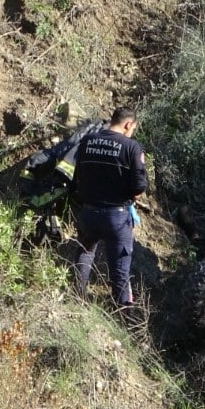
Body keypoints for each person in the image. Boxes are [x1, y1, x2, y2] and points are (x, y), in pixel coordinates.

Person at [72, 107, 148, 306]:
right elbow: (139, 187)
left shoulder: (87, 141)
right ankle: (122, 315)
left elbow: (77, 175)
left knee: (84, 255)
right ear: (128, 124)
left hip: (88, 212)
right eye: (132, 129)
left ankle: (76, 301)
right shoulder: (131, 147)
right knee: (120, 271)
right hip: (116, 217)